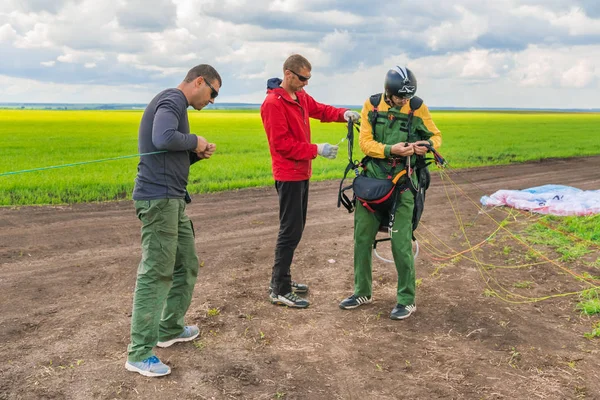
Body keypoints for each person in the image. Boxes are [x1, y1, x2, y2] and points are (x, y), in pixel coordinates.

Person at [125, 64, 221, 377]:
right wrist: (194, 140)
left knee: (187, 263)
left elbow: (166, 150)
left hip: (173, 201)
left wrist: (195, 153)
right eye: (213, 93)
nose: (212, 100)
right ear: (199, 81)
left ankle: (168, 328)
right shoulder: (171, 99)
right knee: (156, 272)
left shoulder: (177, 105)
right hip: (159, 201)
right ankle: (139, 353)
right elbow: (163, 136)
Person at [339, 66, 442, 320]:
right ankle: (362, 292)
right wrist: (391, 149)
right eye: (400, 98)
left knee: (400, 243)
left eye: (407, 97)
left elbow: (436, 137)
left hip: (403, 184)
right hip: (372, 182)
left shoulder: (418, 107)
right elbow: (365, 143)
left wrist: (424, 146)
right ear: (388, 92)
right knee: (362, 239)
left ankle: (406, 300)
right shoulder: (371, 106)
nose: (404, 102)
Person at [261, 54, 360, 308]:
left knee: (296, 228)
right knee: (289, 230)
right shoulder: (273, 104)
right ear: (288, 74)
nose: (306, 83)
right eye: (303, 78)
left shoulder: (300, 97)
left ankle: (282, 279)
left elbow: (321, 110)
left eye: (308, 78)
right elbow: (281, 145)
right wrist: (316, 149)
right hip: (288, 175)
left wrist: (343, 114)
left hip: (302, 173)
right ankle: (279, 289)